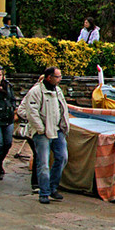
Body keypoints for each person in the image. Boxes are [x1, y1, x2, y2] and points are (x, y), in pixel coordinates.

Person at [19, 65, 70, 204]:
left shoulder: (58, 90)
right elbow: (31, 112)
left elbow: (63, 109)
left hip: (57, 130)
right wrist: (41, 129)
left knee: (62, 157)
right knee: (43, 163)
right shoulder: (35, 92)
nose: (60, 79)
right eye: (58, 77)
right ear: (49, 77)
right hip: (42, 133)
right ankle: (44, 192)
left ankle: (53, 187)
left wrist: (64, 126)